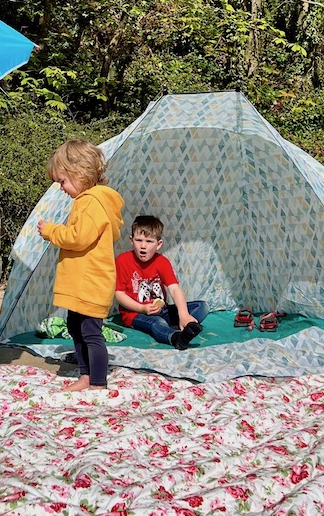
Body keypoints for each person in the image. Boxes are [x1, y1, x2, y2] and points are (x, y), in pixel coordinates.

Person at [37, 140, 124, 392]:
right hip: (83, 282)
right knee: (76, 327)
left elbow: (78, 237)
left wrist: (51, 231)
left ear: (79, 173)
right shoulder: (89, 201)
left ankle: (97, 382)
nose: (61, 188)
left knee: (91, 333)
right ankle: (86, 376)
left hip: (91, 282)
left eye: (62, 181)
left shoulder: (91, 202)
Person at [114, 213, 207, 349]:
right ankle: (176, 337)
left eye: (149, 241)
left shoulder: (162, 262)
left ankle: (186, 324)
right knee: (157, 323)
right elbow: (119, 294)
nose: (143, 246)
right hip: (135, 313)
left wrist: (183, 314)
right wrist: (142, 308)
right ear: (131, 240)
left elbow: (174, 289)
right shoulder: (123, 260)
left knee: (202, 306)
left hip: (161, 310)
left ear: (159, 244)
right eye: (139, 240)